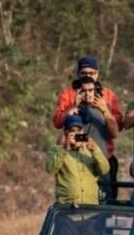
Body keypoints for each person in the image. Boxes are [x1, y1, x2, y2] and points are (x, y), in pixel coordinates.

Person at [51, 56, 123, 201]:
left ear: (97, 74)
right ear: (78, 74)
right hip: (76, 160)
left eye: (91, 73)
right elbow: (58, 123)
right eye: (84, 73)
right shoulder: (68, 94)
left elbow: (116, 130)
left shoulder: (108, 96)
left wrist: (104, 110)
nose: (88, 76)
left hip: (102, 158)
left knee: (104, 204)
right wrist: (73, 107)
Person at [47, 115, 109, 206]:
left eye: (78, 131)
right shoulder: (56, 150)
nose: (76, 134)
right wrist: (64, 149)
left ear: (82, 132)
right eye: (72, 131)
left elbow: (105, 170)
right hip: (67, 207)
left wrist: (95, 150)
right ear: (66, 133)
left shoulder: (90, 148)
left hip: (90, 207)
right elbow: (50, 169)